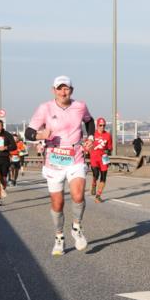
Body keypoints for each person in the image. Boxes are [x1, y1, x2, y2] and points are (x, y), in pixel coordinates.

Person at [25, 76, 94, 256]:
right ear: (53, 90)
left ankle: (77, 228)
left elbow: (89, 121)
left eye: (67, 88)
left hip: (75, 156)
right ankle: (59, 237)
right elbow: (28, 132)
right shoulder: (45, 108)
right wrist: (40, 136)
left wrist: (90, 138)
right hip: (53, 158)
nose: (63, 92)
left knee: (78, 195)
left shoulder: (80, 106)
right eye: (60, 88)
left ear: (72, 90)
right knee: (58, 203)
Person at [89, 117, 113, 202]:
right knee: (96, 174)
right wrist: (85, 151)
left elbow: (110, 147)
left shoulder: (108, 135)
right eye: (100, 125)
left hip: (104, 158)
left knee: (103, 177)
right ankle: (94, 183)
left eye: (104, 125)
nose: (102, 127)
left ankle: (98, 195)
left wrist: (109, 150)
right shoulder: (93, 135)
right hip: (94, 157)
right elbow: (87, 144)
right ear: (97, 125)